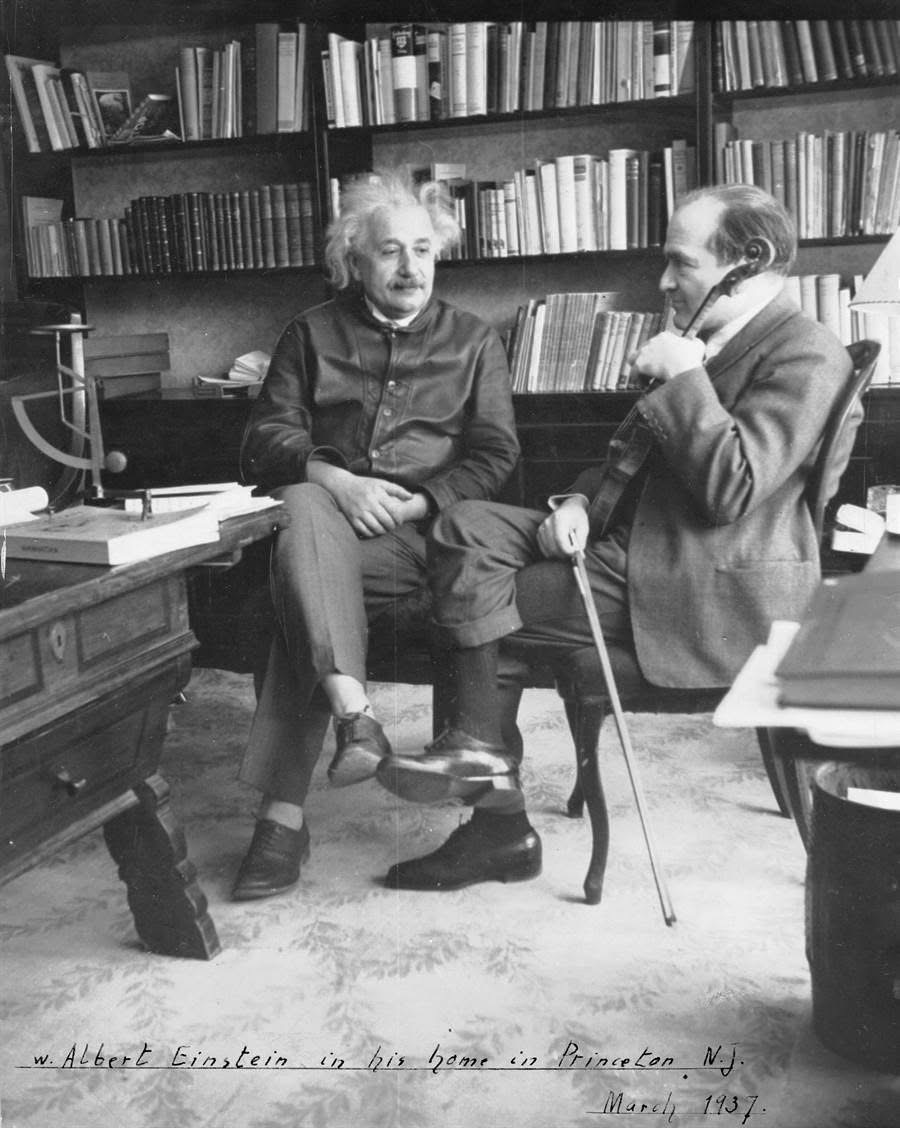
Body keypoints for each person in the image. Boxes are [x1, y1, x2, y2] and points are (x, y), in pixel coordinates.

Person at [376, 183, 855, 891]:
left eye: (680, 262)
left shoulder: (806, 353)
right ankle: (478, 753)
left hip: (702, 581)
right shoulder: (712, 341)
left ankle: (497, 827)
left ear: (747, 261)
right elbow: (629, 463)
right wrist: (577, 501)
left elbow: (732, 488)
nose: (662, 280)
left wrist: (684, 378)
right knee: (462, 526)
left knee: (476, 607)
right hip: (634, 550)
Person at [232, 169, 520, 901]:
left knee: (293, 591)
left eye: (423, 249)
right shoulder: (310, 332)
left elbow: (496, 455)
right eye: (390, 251)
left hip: (427, 543)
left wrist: (420, 502)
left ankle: (284, 815)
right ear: (353, 261)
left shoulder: (473, 340)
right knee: (303, 509)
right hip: (328, 526)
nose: (409, 267)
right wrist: (339, 482)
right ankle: (353, 721)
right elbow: (265, 438)